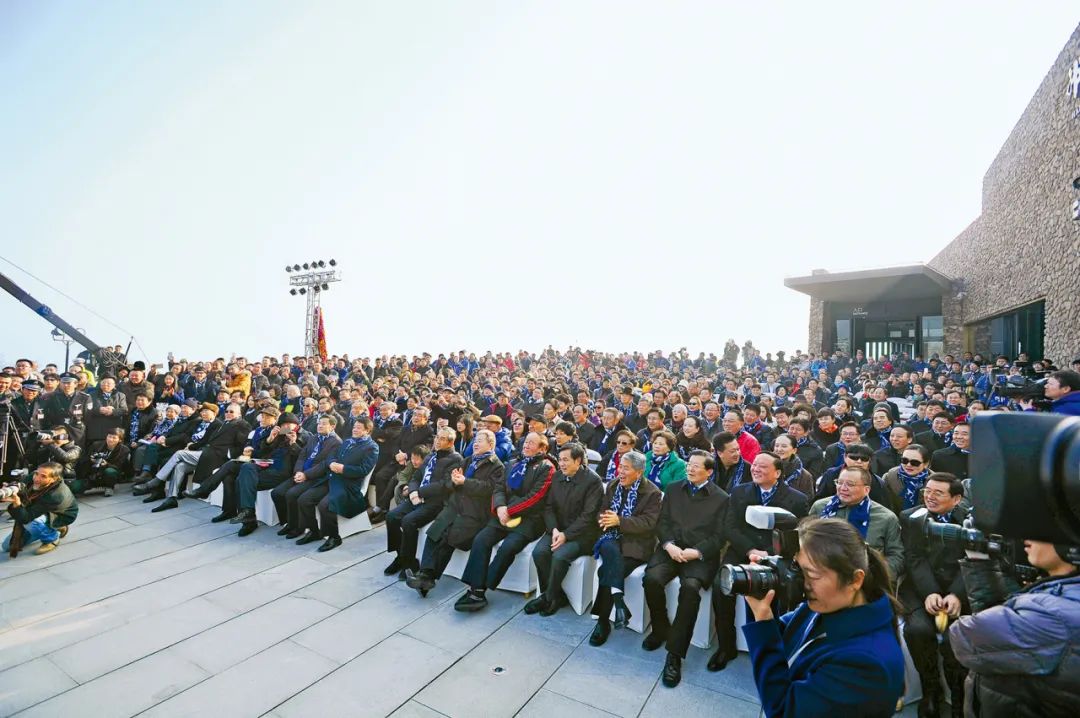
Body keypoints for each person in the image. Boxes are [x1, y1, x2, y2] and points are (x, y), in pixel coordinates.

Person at [742, 518, 906, 717]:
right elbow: (783, 637)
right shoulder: (825, 604)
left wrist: (763, 624)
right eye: (797, 568)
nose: (801, 582)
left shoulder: (866, 664)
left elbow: (784, 710)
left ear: (855, 579)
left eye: (811, 574)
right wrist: (763, 591)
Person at [949, 540, 1080, 717]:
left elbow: (965, 637)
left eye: (1045, 530)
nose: (1028, 538)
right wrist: (980, 562)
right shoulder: (1063, 595)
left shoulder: (1050, 616)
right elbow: (1001, 627)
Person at [712, 451, 809, 673]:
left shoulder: (797, 499)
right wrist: (749, 549)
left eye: (762, 467)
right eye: (754, 465)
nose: (755, 469)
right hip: (741, 550)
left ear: (777, 472)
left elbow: (795, 534)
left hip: (773, 555)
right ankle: (726, 647)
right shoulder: (739, 491)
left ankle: (770, 651)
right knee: (722, 586)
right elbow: (730, 527)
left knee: (773, 594)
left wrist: (766, 554)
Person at [641, 449, 729, 688]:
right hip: (671, 549)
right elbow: (663, 522)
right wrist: (668, 545)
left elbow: (719, 537)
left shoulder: (721, 498)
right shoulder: (673, 489)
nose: (690, 468)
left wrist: (697, 552)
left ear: (709, 472)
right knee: (651, 579)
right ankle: (660, 629)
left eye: (696, 466)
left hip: (699, 556)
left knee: (690, 589)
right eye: (689, 464)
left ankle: (675, 655)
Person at [454, 431, 555, 612]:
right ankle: (475, 588)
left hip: (528, 520)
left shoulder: (546, 467)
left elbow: (535, 497)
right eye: (525, 442)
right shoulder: (512, 463)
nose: (526, 445)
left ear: (543, 448)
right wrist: (500, 508)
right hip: (502, 515)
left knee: (508, 547)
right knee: (481, 540)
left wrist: (509, 510)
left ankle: (482, 587)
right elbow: (499, 488)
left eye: (532, 443)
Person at [899, 473, 969, 718]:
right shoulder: (911, 518)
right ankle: (931, 690)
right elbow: (914, 558)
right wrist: (929, 592)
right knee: (918, 630)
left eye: (938, 493)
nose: (930, 496)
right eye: (927, 491)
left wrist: (957, 595)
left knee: (955, 638)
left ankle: (959, 700)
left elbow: (971, 561)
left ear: (956, 498)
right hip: (920, 590)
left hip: (960, 590)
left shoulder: (971, 521)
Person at [406, 430, 503, 597]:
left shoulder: (497, 466)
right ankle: (425, 575)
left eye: (480, 441)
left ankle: (427, 579)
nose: (476, 444)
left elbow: (489, 489)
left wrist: (465, 482)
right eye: (475, 441)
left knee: (448, 538)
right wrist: (454, 481)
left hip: (473, 513)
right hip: (454, 508)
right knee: (434, 533)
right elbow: (451, 484)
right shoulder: (468, 461)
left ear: (491, 444)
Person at [525, 442, 603, 616]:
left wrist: (566, 535)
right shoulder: (557, 476)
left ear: (579, 461)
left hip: (582, 534)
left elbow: (588, 516)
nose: (562, 464)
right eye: (560, 460)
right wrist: (554, 530)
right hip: (557, 530)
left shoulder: (592, 481)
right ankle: (555, 596)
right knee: (540, 553)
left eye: (566, 460)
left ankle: (548, 598)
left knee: (560, 556)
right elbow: (549, 507)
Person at [382, 426, 463, 576]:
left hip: (435, 502)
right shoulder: (431, 456)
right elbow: (416, 477)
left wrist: (419, 491)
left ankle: (410, 562)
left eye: (442, 439)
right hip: (417, 497)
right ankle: (400, 556)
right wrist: (412, 490)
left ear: (451, 443)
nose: (437, 441)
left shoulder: (456, 459)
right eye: (437, 437)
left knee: (408, 521)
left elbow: (445, 485)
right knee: (391, 517)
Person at [810, 466, 904, 582]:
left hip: (867, 581)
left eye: (850, 484)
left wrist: (876, 577)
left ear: (866, 490)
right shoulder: (820, 507)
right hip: (821, 577)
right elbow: (804, 541)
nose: (843, 488)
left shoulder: (886, 518)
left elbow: (896, 556)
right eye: (839, 482)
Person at [270, 415, 344, 544]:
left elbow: (325, 465)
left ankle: (300, 528)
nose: (319, 426)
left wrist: (306, 475)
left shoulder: (336, 443)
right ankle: (289, 522)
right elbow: (302, 456)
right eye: (319, 423)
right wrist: (298, 471)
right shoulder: (314, 437)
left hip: (318, 478)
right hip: (302, 473)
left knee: (292, 494)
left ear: (332, 426)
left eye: (323, 424)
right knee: (276, 493)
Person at [311, 414, 380, 551]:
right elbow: (332, 455)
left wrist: (343, 469)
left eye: (359, 428)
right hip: (333, 478)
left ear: (367, 431)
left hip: (350, 485)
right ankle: (314, 532)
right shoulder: (348, 441)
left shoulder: (371, 447)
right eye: (354, 427)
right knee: (306, 498)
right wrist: (331, 464)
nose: (355, 430)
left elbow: (363, 470)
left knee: (324, 505)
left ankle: (334, 537)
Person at [220, 415, 302, 527]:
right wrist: (270, 439)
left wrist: (293, 443)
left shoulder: (304, 436)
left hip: (283, 473)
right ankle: (247, 515)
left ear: (296, 425)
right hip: (267, 466)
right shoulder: (279, 435)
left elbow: (303, 458)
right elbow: (261, 453)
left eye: (289, 424)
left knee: (240, 480)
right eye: (283, 424)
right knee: (246, 469)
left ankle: (249, 521)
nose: (286, 427)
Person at [1, 462, 78, 556]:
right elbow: (22, 486)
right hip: (40, 509)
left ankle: (52, 538)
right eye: (37, 473)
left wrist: (17, 503)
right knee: (7, 546)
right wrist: (11, 488)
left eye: (43, 476)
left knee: (31, 523)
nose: (37, 478)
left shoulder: (55, 496)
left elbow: (26, 518)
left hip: (60, 515)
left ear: (54, 479)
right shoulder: (34, 476)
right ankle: (50, 528)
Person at [881, 444, 933, 515]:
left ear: (926, 464)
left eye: (915, 462)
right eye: (904, 460)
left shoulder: (935, 482)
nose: (908, 465)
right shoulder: (889, 477)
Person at [80, 428, 129, 496]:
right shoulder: (96, 445)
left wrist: (107, 464)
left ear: (120, 440)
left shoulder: (124, 450)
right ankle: (88, 484)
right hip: (93, 474)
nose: (110, 439)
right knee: (74, 488)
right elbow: (84, 459)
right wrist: (91, 460)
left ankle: (109, 487)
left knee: (110, 471)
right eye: (109, 436)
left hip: (109, 475)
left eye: (114, 438)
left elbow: (119, 467)